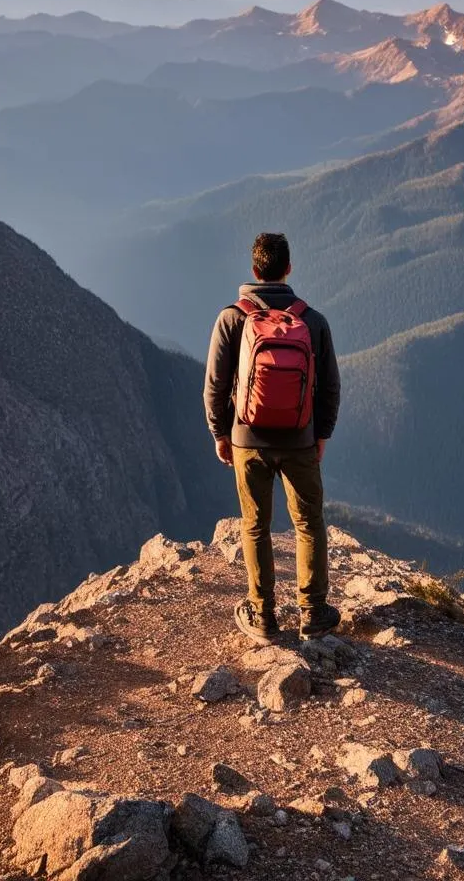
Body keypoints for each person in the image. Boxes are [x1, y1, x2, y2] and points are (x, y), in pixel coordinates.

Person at [203, 232, 341, 642]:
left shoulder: (232, 318)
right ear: (288, 269)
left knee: (256, 525)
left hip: (248, 440)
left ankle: (263, 616)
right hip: (300, 439)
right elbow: (330, 386)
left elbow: (215, 384)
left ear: (254, 269)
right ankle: (313, 613)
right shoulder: (312, 320)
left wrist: (220, 433)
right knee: (309, 524)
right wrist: (321, 434)